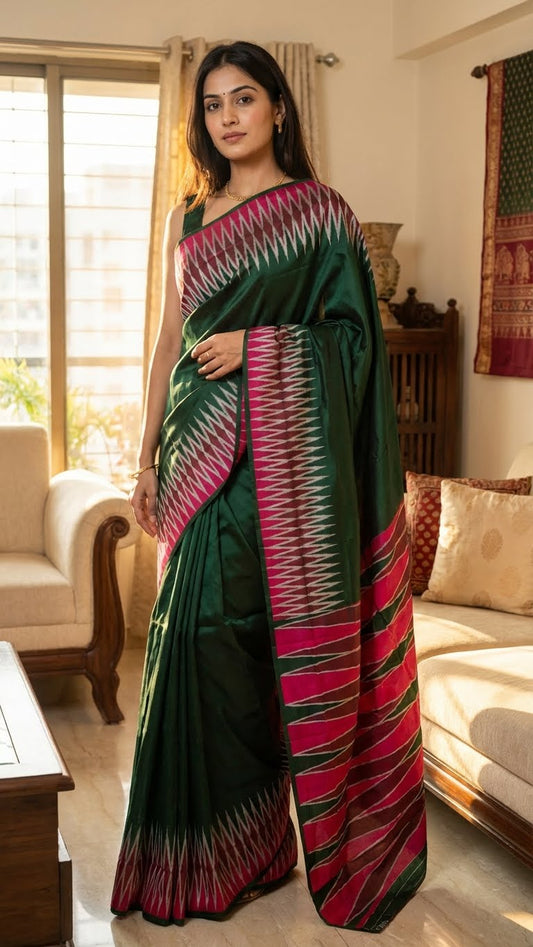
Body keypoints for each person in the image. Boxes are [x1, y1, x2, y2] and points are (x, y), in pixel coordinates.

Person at [111, 40, 427, 932]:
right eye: (212, 105)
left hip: (285, 475)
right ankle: (209, 849)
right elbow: (168, 346)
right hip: (197, 456)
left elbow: (356, 344)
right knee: (192, 647)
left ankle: (258, 845)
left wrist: (259, 348)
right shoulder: (189, 216)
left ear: (279, 108)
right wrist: (144, 455)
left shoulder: (323, 216)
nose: (228, 117)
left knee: (247, 649)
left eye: (243, 99)